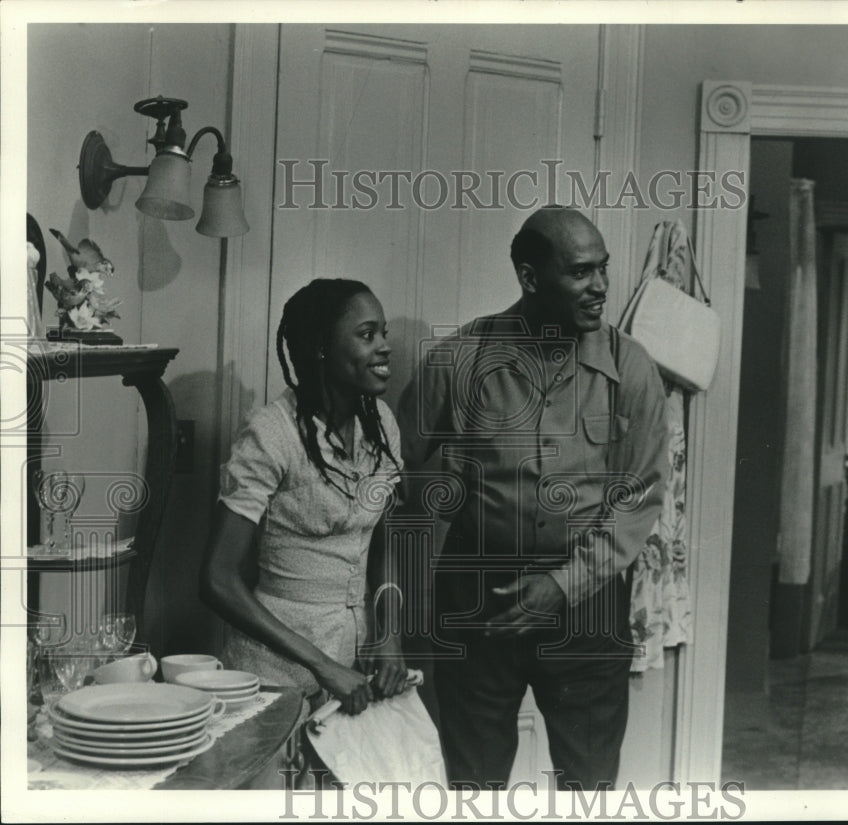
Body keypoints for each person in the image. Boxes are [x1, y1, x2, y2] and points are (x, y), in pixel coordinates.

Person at [398, 207, 670, 789]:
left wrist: (562, 585)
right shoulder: (460, 360)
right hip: (477, 597)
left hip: (588, 603)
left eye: (602, 268)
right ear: (529, 277)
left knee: (589, 785)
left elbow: (639, 500)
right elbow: (396, 469)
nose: (599, 286)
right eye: (579, 272)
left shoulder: (632, 367)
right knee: (474, 782)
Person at [201, 278, 408, 714]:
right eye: (367, 335)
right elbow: (216, 580)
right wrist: (321, 665)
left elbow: (383, 535)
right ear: (322, 347)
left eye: (383, 333)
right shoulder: (271, 435)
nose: (385, 347)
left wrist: (388, 633)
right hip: (274, 676)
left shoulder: (382, 424)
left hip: (352, 669)